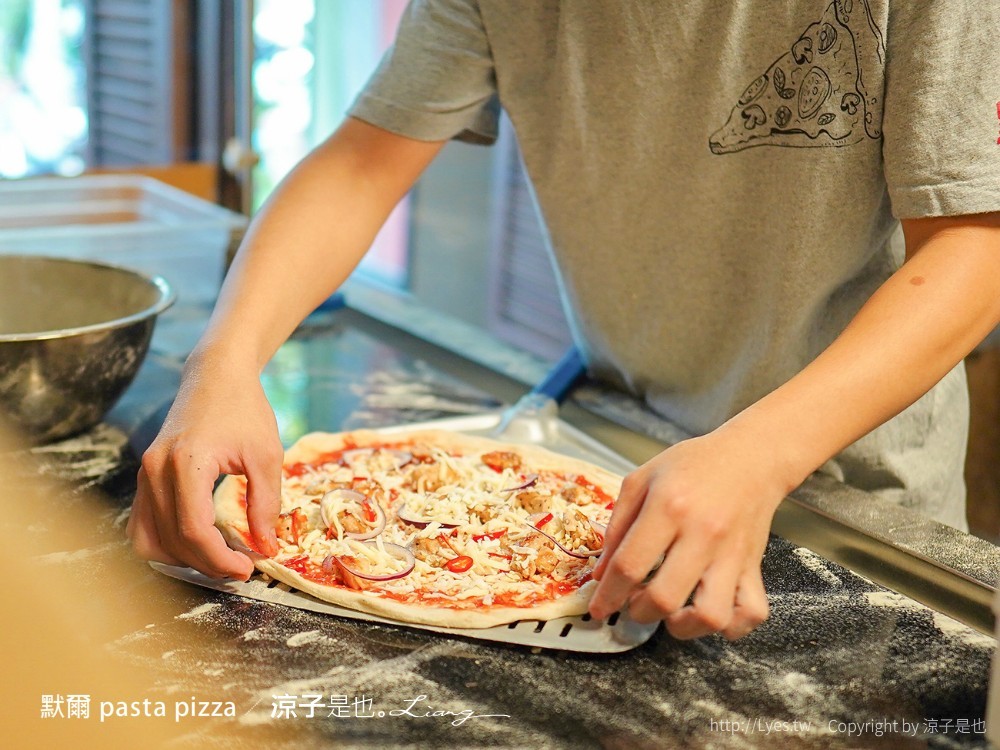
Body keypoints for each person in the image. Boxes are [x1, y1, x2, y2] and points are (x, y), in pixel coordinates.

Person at [128, 0, 1000, 641]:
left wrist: (758, 455)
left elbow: (975, 247)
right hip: (612, 452)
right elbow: (360, 164)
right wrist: (224, 364)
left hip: (850, 504)